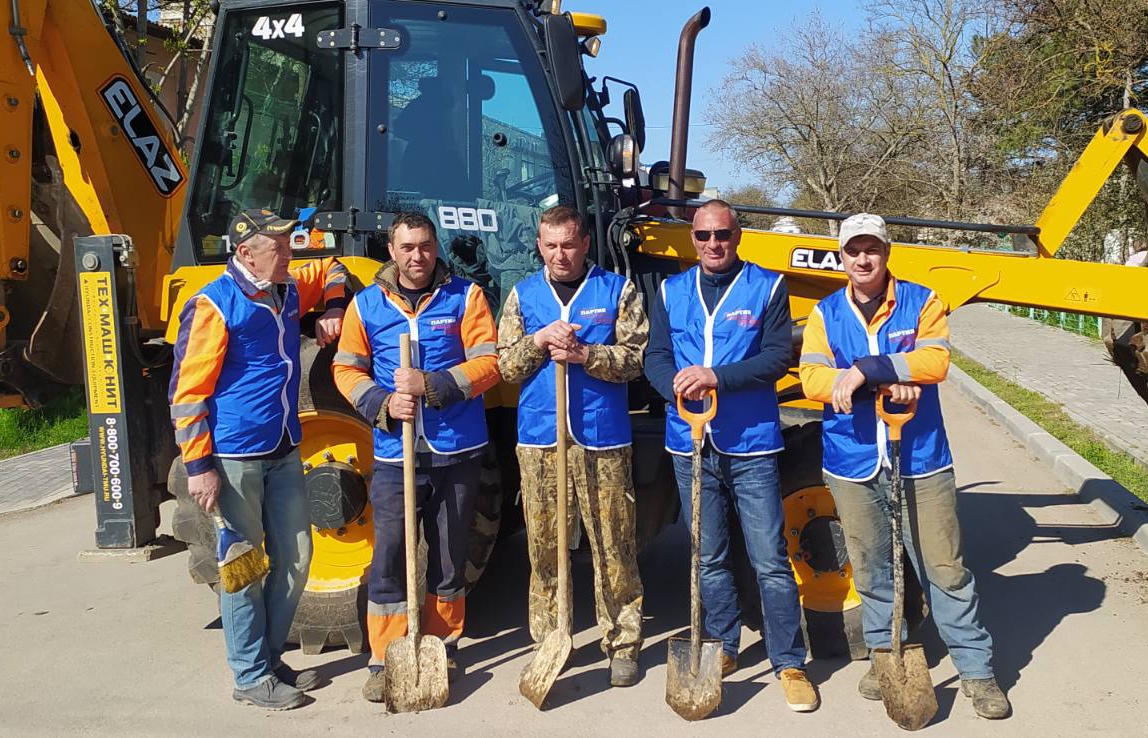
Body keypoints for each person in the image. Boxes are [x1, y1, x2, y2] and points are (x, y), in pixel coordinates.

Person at [797, 213, 1011, 720]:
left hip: (920, 459)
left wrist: (866, 369)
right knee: (872, 569)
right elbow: (811, 379)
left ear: (886, 253)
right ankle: (886, 654)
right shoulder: (826, 313)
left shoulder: (922, 301)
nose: (862, 259)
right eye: (853, 251)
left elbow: (935, 361)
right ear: (841, 257)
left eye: (871, 249)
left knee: (944, 568)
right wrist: (876, 381)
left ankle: (976, 669)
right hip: (852, 461)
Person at [169, 208, 352, 710]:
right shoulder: (213, 304)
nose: (289, 255)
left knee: (297, 557)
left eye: (289, 246)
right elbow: (187, 394)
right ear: (246, 253)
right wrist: (198, 466)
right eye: (279, 248)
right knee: (243, 567)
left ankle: (270, 660)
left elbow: (332, 266)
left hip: (284, 447)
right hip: (234, 458)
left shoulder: (285, 288)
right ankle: (250, 675)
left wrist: (334, 304)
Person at [643, 199, 820, 713]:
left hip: (751, 445)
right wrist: (674, 386)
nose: (713, 244)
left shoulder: (767, 286)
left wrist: (715, 377)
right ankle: (723, 645)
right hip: (690, 442)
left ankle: (789, 662)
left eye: (722, 234)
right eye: (703, 235)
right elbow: (656, 355)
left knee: (770, 560)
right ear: (692, 240)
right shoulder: (672, 291)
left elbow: (775, 358)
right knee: (708, 556)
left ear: (737, 236)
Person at [329, 212, 500, 704]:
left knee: (449, 555)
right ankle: (385, 657)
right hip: (393, 454)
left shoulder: (465, 297)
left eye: (425, 246)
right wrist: (383, 404)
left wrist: (433, 384)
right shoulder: (367, 304)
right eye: (407, 247)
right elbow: (345, 369)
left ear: (435, 247)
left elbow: (490, 362)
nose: (417, 256)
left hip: (456, 449)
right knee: (389, 555)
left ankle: (442, 644)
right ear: (392, 250)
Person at [496, 205, 647, 687]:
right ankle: (550, 638)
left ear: (584, 244)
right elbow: (506, 367)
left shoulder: (616, 290)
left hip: (603, 439)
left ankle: (622, 641)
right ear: (540, 246)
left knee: (613, 545)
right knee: (545, 547)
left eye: (568, 245)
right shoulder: (523, 295)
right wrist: (540, 340)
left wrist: (585, 355)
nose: (560, 254)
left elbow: (637, 359)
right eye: (550, 245)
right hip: (540, 439)